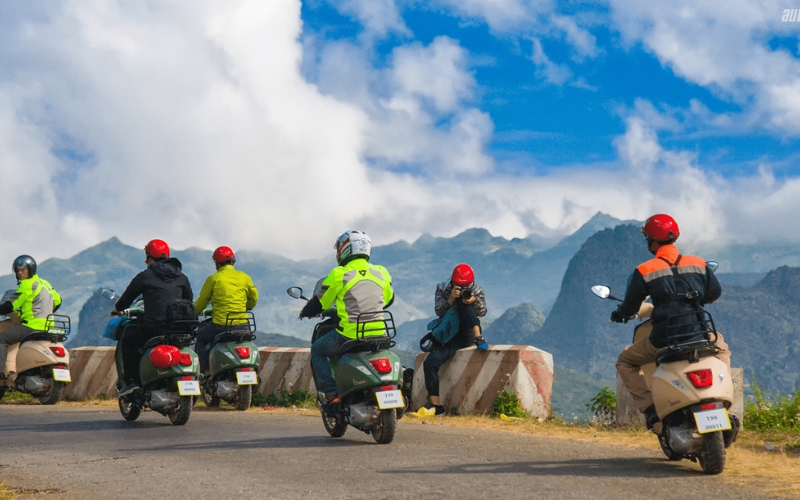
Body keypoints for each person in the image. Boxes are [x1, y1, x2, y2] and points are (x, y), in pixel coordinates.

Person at [612, 214, 731, 429]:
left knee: (625, 361)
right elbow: (714, 293)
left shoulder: (645, 270)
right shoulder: (698, 263)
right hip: (700, 332)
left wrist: (619, 314)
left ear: (651, 241)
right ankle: (723, 398)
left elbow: (630, 307)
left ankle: (651, 411)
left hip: (664, 339)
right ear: (674, 237)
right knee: (721, 348)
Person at [298, 230, 394, 406]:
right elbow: (388, 299)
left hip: (350, 335)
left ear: (345, 249)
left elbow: (320, 303)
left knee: (318, 350)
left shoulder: (339, 274)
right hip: (379, 333)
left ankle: (331, 394)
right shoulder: (382, 272)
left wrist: (305, 312)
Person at [110, 239, 193, 394]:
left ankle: (131, 381)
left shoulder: (145, 276)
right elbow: (188, 301)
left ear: (149, 257)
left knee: (128, 339)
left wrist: (118, 309)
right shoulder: (181, 277)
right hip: (179, 328)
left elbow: (127, 298)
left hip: (154, 328)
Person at [423, 263, 489, 416]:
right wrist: (451, 300)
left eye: (466, 285)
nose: (463, 287)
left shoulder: (476, 290)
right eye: (459, 285)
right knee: (430, 363)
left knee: (465, 306)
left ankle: (478, 337)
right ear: (453, 282)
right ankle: (436, 407)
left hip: (466, 333)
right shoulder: (442, 288)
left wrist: (473, 302)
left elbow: (483, 311)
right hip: (448, 334)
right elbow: (438, 311)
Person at [193, 246, 258, 377]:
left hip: (220, 326)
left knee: (200, 338)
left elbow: (201, 303)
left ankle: (206, 372)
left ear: (216, 264)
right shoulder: (244, 277)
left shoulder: (214, 279)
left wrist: (193, 311)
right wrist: (246, 307)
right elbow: (254, 299)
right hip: (243, 324)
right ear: (233, 261)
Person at [0, 256, 62, 384]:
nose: (20, 273)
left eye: (23, 270)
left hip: (31, 326)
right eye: (18, 271)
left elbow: (11, 305)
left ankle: (0, 373)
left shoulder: (26, 285)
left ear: (30, 270)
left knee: (2, 338)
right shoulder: (45, 283)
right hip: (48, 327)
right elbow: (58, 301)